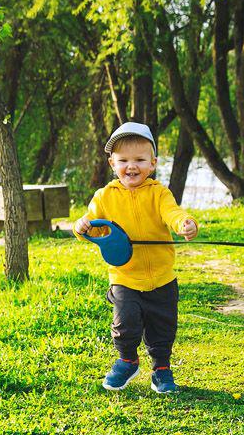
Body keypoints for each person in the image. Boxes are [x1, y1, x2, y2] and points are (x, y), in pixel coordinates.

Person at [74, 121, 198, 394]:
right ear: (112, 163)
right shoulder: (104, 196)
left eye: (140, 160)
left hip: (162, 278)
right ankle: (127, 360)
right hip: (125, 277)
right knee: (125, 323)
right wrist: (81, 227)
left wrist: (185, 223)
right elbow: (90, 223)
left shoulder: (159, 193)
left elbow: (172, 213)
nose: (132, 166)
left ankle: (162, 369)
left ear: (152, 163)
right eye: (124, 160)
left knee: (162, 328)